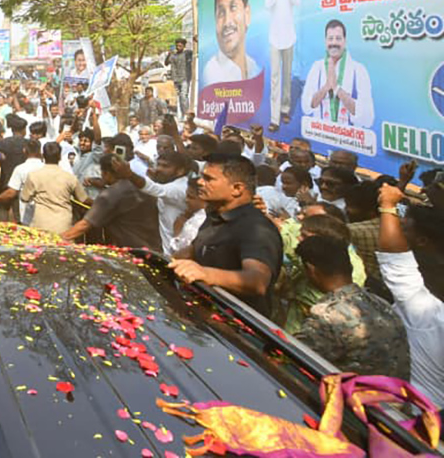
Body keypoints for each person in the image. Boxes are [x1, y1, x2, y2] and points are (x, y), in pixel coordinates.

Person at [169, 154, 283, 316]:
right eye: (202, 176)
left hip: (236, 331)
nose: (200, 182)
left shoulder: (257, 228)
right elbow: (195, 250)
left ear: (237, 189)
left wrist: (205, 274)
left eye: (208, 179)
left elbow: (257, 281)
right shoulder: (215, 215)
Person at [292, 235, 410, 378]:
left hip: (351, 396)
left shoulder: (327, 316)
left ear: (311, 270)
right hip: (391, 395)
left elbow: (291, 358)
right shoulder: (381, 304)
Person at [375, 184, 444, 407]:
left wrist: (388, 206)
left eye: (404, 228)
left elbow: (395, 261)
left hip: (419, 420)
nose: (397, 231)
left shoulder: (428, 314)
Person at [62, 155, 160, 250]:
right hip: (155, 248)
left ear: (107, 174)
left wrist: (58, 240)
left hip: (133, 252)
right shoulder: (142, 186)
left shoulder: (111, 194)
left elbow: (85, 225)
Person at [111, 150, 194, 256]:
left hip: (179, 252)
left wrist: (130, 175)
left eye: (165, 166)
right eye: (158, 165)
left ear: (180, 171)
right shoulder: (169, 183)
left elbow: (155, 189)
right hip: (168, 249)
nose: (159, 169)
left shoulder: (180, 187)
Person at [301, 19, 374, 128]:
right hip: (321, 136)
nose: (334, 43)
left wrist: (337, 88)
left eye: (338, 38)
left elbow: (367, 119)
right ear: (325, 41)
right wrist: (326, 87)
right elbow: (306, 107)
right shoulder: (317, 68)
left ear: (345, 41)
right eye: (330, 38)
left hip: (348, 140)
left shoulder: (358, 70)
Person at [203, 0, 260, 85]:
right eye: (221, 12)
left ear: (247, 14)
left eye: (233, 7)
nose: (227, 21)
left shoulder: (254, 68)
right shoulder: (212, 73)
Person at [18, 142, 87, 234]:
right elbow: (83, 199)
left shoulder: (33, 175)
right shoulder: (70, 178)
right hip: (63, 226)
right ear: (60, 157)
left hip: (40, 224)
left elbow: (24, 198)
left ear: (43, 156)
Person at [266, 0, 301, 132]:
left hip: (289, 36)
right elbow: (268, 4)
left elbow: (297, 1)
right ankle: (274, 118)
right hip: (274, 36)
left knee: (287, 75)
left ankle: (285, 109)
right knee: (275, 78)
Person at [166, 38, 194, 116]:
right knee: (180, 98)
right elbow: (166, 63)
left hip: (185, 78)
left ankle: (186, 114)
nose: (178, 47)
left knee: (183, 96)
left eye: (180, 46)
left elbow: (196, 52)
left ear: (184, 46)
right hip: (176, 79)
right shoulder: (173, 55)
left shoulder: (187, 53)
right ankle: (183, 113)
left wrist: (196, 41)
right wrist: (169, 54)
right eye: (177, 46)